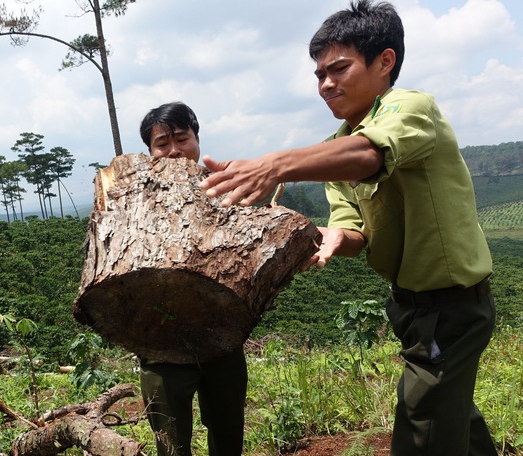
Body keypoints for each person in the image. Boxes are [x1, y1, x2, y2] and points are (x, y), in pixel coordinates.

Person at [199, 1, 497, 455]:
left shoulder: (411, 108)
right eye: (319, 75)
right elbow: (355, 229)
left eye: (338, 69)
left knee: (422, 434)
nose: (326, 85)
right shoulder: (333, 149)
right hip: (411, 311)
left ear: (385, 61)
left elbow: (371, 155)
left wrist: (274, 166)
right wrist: (338, 238)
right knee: (451, 419)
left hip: (451, 311)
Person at [137, 101, 248, 456]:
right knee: (171, 446)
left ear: (197, 138)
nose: (174, 151)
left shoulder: (225, 190)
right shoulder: (134, 199)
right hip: (160, 345)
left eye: (182, 139)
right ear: (150, 151)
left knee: (228, 438)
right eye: (162, 144)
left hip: (222, 339)